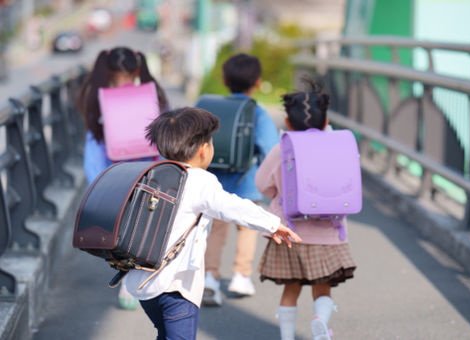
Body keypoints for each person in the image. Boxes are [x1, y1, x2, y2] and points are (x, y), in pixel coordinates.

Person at [123, 107, 302, 340]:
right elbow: (231, 206)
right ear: (203, 150)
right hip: (177, 288)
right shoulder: (199, 180)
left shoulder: (152, 174)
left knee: (164, 333)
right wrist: (271, 223)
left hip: (144, 285)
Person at [255, 82, 357, 340]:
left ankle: (287, 337)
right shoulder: (339, 144)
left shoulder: (283, 148)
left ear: (288, 122)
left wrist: (279, 194)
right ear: (326, 122)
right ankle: (320, 321)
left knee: (291, 289)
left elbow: (262, 184)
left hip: (290, 232)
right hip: (328, 233)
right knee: (322, 289)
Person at [77, 46, 168, 310]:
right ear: (138, 69)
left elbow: (93, 150)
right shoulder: (154, 98)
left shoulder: (99, 102)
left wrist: (98, 184)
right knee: (147, 230)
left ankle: (129, 281)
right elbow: (165, 140)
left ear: (107, 72)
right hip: (151, 174)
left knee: (123, 234)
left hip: (115, 177)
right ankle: (141, 281)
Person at [203, 53, 280, 305]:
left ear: (225, 81)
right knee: (247, 229)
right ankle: (240, 276)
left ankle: (210, 278)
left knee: (215, 231)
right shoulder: (257, 113)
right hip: (247, 184)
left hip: (214, 184)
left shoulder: (210, 107)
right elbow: (271, 151)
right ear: (257, 83)